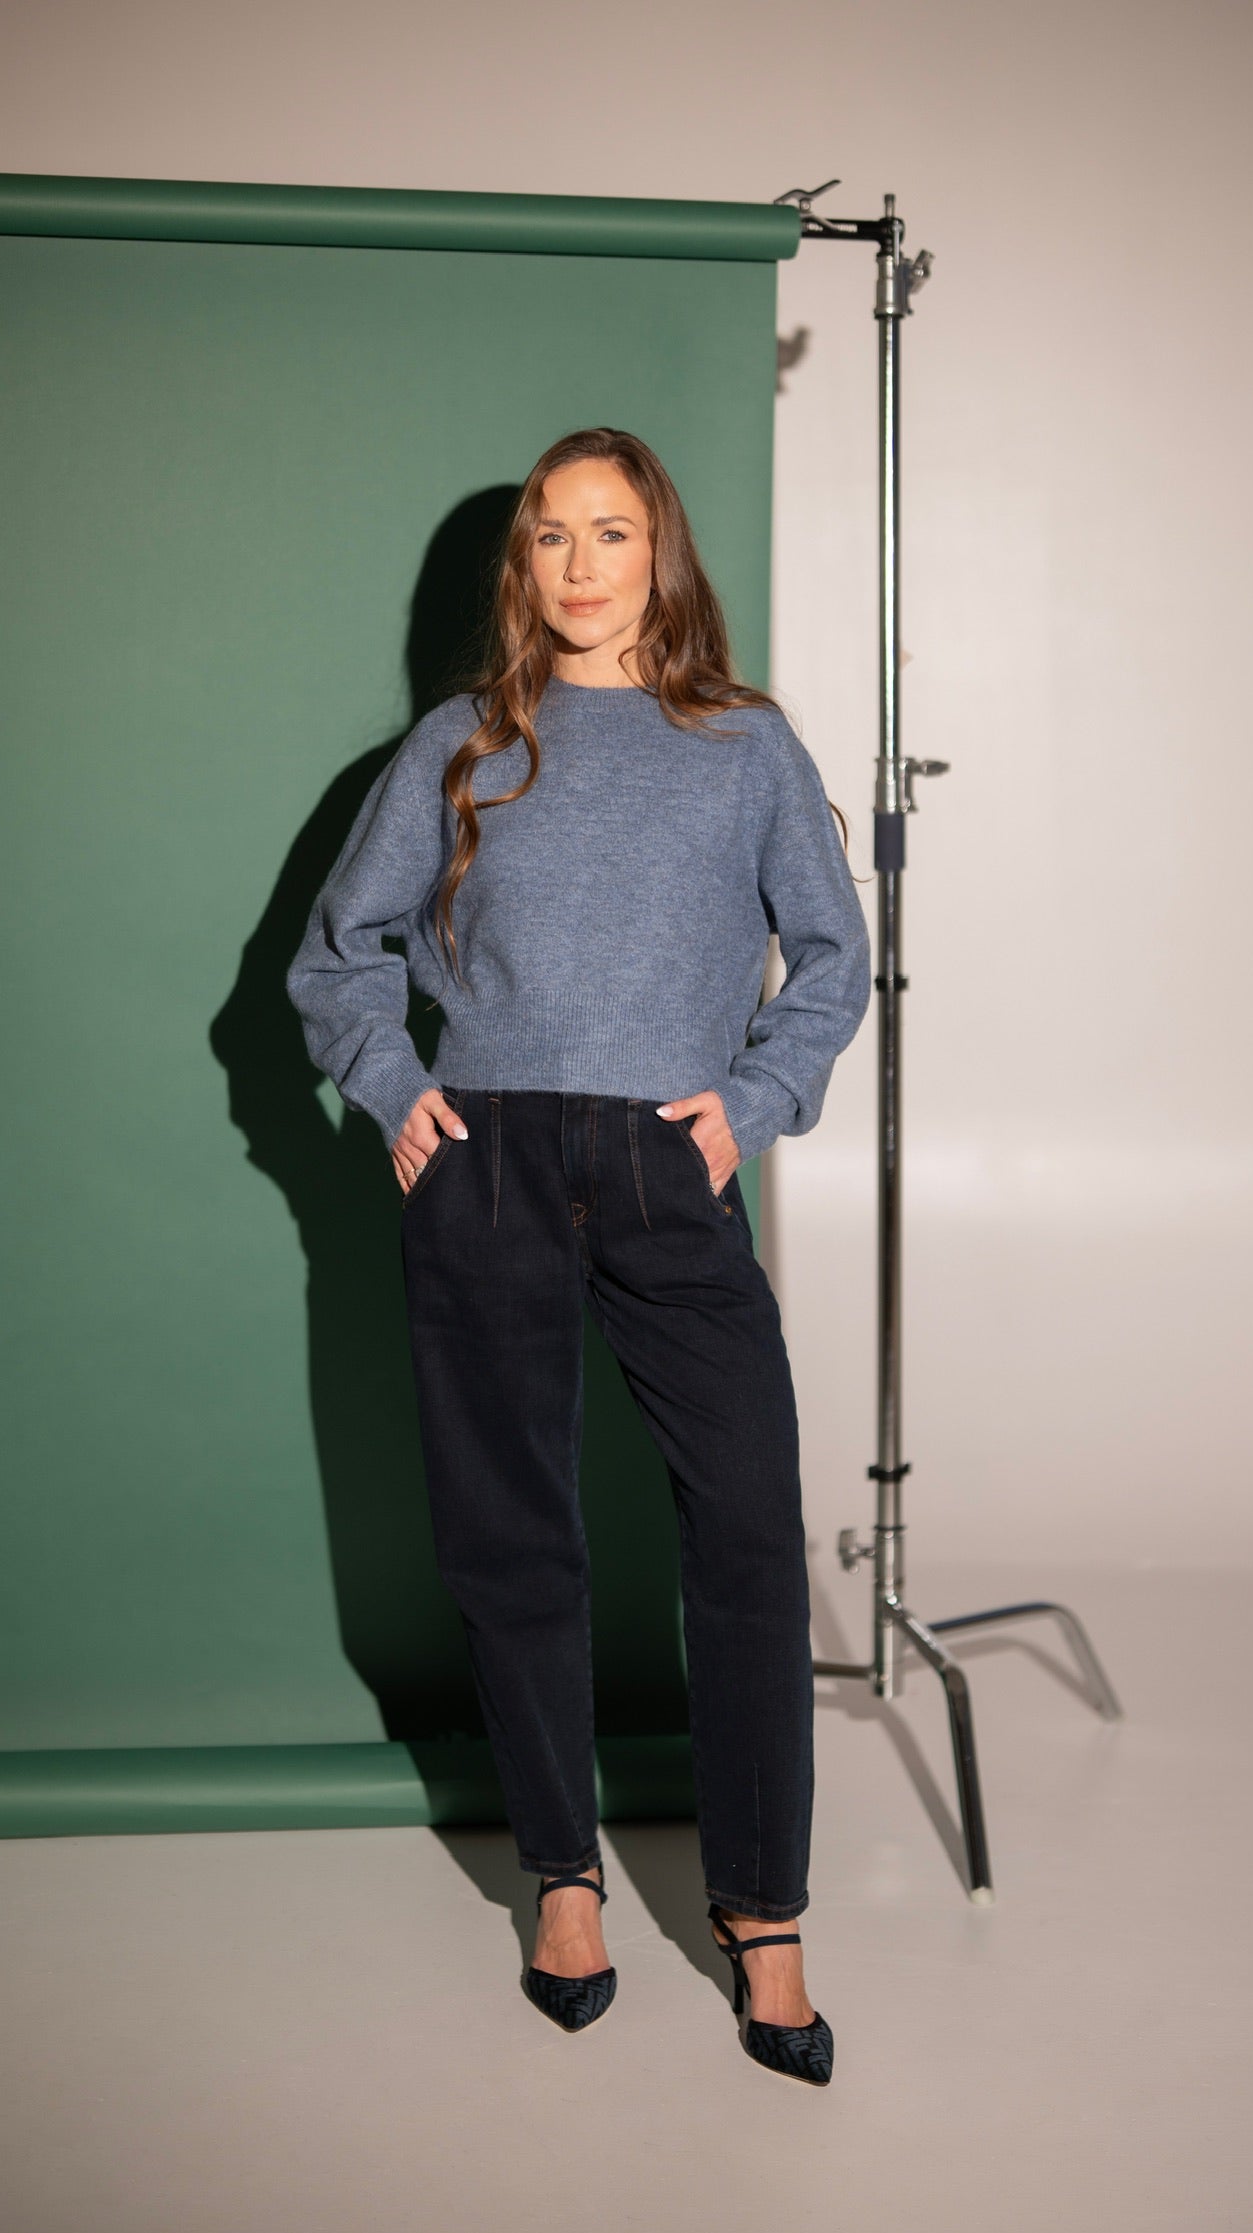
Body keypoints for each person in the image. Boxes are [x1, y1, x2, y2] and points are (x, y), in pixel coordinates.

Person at [286, 427, 870, 2086]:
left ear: (659, 551)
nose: (582, 564)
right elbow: (341, 952)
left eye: (612, 532)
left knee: (745, 1529)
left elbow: (834, 958)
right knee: (511, 1535)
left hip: (667, 1159)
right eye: (551, 535)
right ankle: (562, 1877)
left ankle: (763, 1912)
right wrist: (394, 1089)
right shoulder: (464, 741)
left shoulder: (744, 746)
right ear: (523, 565)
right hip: (487, 1160)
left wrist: (750, 1104)